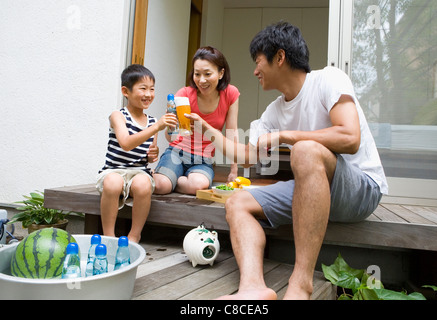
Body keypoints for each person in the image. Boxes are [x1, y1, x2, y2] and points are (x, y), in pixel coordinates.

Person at [186, 22, 388, 299]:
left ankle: (300, 284)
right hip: (314, 188)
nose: (255, 71)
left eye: (258, 62)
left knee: (305, 150)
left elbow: (350, 137)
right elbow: (247, 154)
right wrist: (209, 131)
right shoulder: (273, 111)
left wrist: (286, 136)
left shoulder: (329, 79)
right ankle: (252, 288)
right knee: (237, 203)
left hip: (360, 189)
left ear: (279, 58)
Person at [96, 64, 177, 243]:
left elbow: (149, 156)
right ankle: (108, 235)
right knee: (113, 182)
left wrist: (152, 154)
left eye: (152, 89)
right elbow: (125, 143)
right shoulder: (118, 116)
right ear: (126, 91)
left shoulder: (152, 122)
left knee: (143, 184)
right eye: (143, 89)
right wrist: (156, 127)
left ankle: (134, 235)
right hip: (114, 170)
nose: (148, 94)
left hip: (138, 172)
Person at [153, 46, 240, 195]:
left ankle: (172, 178)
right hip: (176, 152)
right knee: (161, 186)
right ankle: (165, 179)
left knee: (197, 186)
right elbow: (169, 138)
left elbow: (232, 132)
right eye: (197, 74)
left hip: (204, 159)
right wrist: (171, 125)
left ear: (221, 73)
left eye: (207, 74)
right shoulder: (184, 94)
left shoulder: (230, 94)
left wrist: (234, 169)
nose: (202, 80)